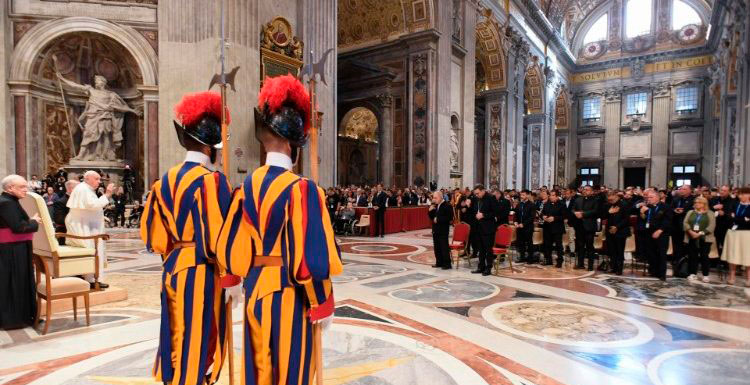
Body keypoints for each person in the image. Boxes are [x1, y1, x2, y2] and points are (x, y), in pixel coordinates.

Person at [216, 75, 342, 384]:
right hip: (290, 295)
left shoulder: (246, 186)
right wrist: (321, 302)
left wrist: (232, 280)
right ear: (292, 145)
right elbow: (311, 259)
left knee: (259, 373)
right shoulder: (302, 189)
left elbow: (231, 245)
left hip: (254, 291)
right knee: (292, 373)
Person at [141, 91, 236, 385]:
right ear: (210, 148)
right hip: (202, 269)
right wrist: (232, 274)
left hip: (171, 266)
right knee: (200, 336)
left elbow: (152, 236)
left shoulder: (163, 181)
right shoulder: (212, 180)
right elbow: (220, 239)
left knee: (174, 331)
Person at [0, 175, 40, 330]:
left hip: (14, 248)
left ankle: (23, 316)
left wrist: (29, 222)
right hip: (12, 251)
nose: (26, 189)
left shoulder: (9, 201)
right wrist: (34, 222)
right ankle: (14, 320)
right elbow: (19, 228)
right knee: (13, 283)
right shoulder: (7, 203)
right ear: (10, 188)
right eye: (22, 187)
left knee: (16, 282)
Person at [66, 171, 114, 289]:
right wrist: (107, 194)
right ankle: (92, 279)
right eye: (97, 179)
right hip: (84, 228)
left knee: (94, 251)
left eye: (99, 179)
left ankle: (92, 279)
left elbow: (89, 208)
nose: (99, 181)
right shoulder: (83, 189)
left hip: (88, 226)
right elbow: (93, 205)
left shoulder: (86, 189)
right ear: (87, 179)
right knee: (92, 251)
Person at [639, 190, 672, 281]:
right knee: (651, 253)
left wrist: (660, 230)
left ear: (658, 197)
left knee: (661, 254)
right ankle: (654, 271)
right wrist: (642, 213)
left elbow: (666, 221)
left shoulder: (666, 207)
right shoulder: (648, 206)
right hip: (649, 232)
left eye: (651, 197)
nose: (648, 199)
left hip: (661, 233)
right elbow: (645, 219)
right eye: (648, 197)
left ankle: (662, 274)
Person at [683, 196, 715, 283]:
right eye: (695, 202)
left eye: (699, 202)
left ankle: (705, 275)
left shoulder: (710, 213)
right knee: (692, 256)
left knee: (704, 256)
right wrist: (691, 232)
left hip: (705, 238)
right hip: (691, 237)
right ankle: (692, 273)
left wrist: (700, 233)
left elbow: (711, 226)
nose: (697, 204)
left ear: (704, 204)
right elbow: (685, 223)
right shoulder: (690, 212)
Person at [722, 186, 750, 286]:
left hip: (747, 234)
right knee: (733, 254)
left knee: (747, 255)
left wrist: (738, 218)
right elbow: (729, 217)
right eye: (740, 194)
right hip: (734, 233)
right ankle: (732, 276)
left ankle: (748, 278)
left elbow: (747, 221)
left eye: (744, 193)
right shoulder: (735, 204)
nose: (741, 196)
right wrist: (743, 219)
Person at [471, 184, 498, 276]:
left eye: (478, 193)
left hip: (488, 228)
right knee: (481, 249)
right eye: (475, 194)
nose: (476, 195)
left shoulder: (491, 198)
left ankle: (488, 267)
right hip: (478, 227)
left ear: (483, 191)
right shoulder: (476, 199)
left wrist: (483, 215)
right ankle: (480, 267)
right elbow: (474, 210)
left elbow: (495, 212)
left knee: (488, 249)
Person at [572, 185, 600, 270]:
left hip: (589, 227)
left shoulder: (595, 200)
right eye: (584, 189)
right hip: (579, 226)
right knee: (580, 246)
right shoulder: (578, 199)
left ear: (591, 192)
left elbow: (595, 211)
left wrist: (583, 214)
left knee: (589, 246)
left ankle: (590, 266)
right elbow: (573, 209)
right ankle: (580, 264)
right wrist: (575, 213)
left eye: (587, 190)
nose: (585, 191)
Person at [605, 191, 631, 275]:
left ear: (616, 196)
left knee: (619, 250)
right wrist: (609, 212)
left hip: (621, 231)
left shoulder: (624, 204)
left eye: (611, 199)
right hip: (610, 231)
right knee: (612, 250)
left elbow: (626, 219)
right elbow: (603, 215)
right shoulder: (608, 205)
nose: (610, 201)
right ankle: (613, 267)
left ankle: (619, 269)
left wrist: (617, 227)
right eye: (609, 199)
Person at [540, 190, 566, 267]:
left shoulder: (562, 204)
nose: (551, 197)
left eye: (553, 195)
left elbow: (564, 216)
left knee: (558, 245)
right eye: (550, 195)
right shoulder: (547, 204)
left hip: (557, 228)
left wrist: (554, 218)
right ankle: (548, 260)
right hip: (547, 227)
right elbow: (542, 213)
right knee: (547, 245)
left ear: (557, 196)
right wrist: (543, 216)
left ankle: (559, 261)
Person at [429, 191, 453, 269]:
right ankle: (439, 262)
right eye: (433, 198)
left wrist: (438, 219)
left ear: (440, 197)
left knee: (444, 247)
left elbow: (449, 217)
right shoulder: (436, 205)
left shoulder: (447, 205)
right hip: (436, 229)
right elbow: (432, 217)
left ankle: (447, 264)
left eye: (435, 198)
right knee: (437, 247)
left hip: (443, 230)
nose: (434, 199)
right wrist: (430, 210)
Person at [671, 185, 694, 264]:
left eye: (684, 189)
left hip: (687, 225)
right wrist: (674, 210)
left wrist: (683, 212)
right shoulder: (676, 199)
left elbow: (694, 211)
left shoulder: (693, 199)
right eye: (681, 189)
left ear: (690, 190)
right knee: (676, 244)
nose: (681, 190)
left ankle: (684, 262)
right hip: (676, 225)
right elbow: (670, 208)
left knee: (685, 245)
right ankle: (676, 260)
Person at [711, 185, 736, 257]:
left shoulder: (733, 201)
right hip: (715, 226)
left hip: (726, 226)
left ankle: (725, 262)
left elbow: (733, 214)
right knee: (715, 245)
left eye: (725, 191)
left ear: (729, 192)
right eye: (721, 190)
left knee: (726, 245)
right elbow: (707, 209)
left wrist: (724, 214)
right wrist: (714, 207)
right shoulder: (714, 199)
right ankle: (715, 261)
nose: (722, 192)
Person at [53, 180, 78, 245]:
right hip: (64, 234)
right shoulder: (60, 202)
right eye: (78, 188)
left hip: (76, 232)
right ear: (72, 189)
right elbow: (59, 220)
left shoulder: (78, 201)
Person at [514, 190, 536, 264]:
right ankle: (522, 257)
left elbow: (532, 217)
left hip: (528, 227)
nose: (521, 196)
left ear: (527, 195)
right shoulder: (519, 204)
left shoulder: (532, 205)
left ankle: (530, 258)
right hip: (519, 227)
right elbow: (516, 214)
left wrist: (524, 224)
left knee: (529, 243)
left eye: (523, 195)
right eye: (521, 195)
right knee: (521, 243)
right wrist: (515, 222)